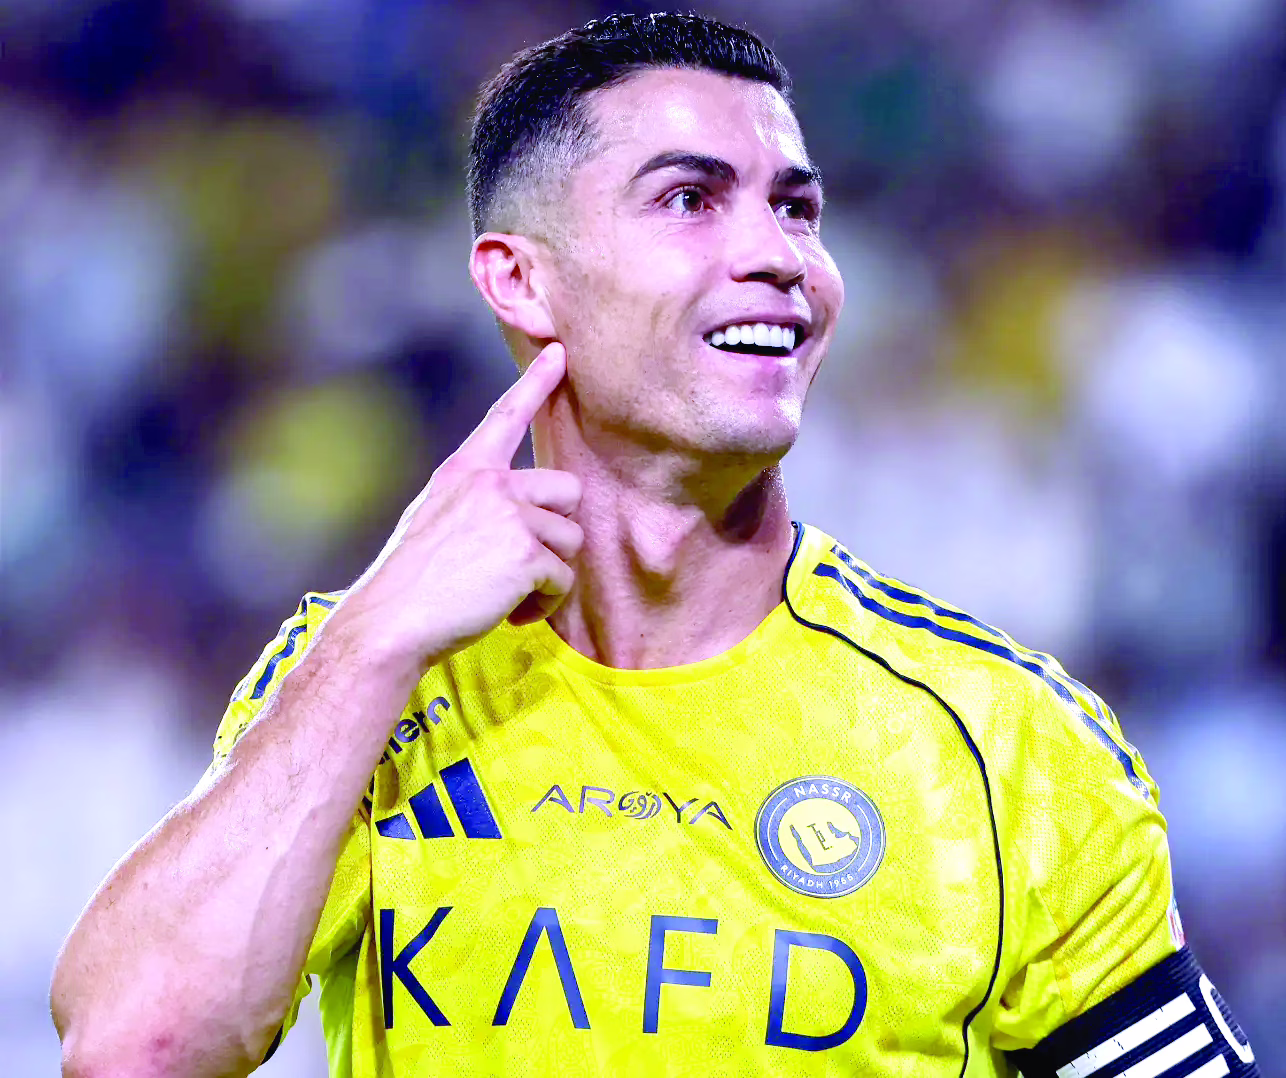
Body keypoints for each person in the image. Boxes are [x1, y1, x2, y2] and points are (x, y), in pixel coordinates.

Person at [51, 13, 1259, 1078]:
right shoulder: (364, 681)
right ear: (520, 282)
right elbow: (131, 1049)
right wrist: (373, 639)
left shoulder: (1002, 741)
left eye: (796, 208)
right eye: (689, 199)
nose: (777, 256)